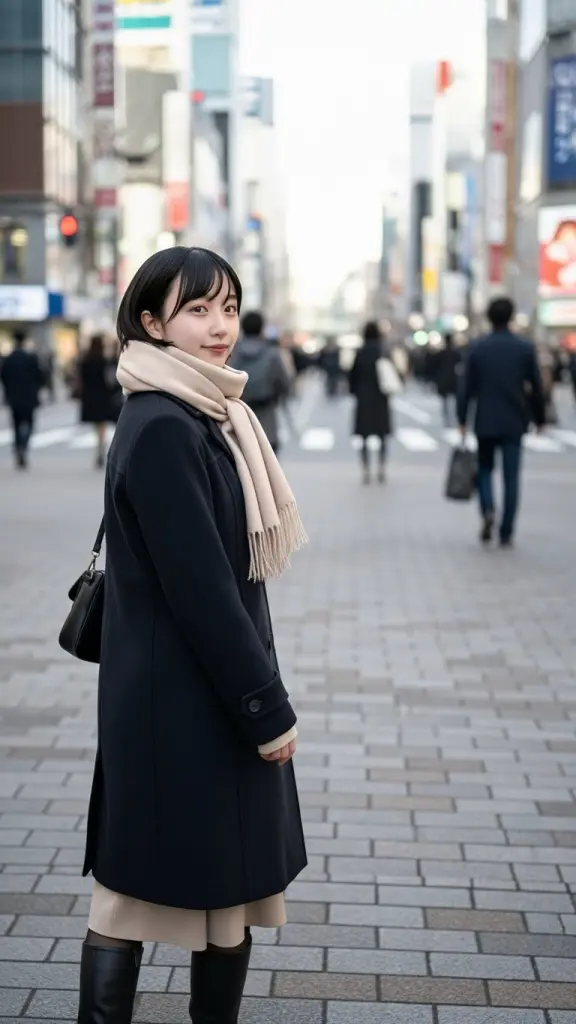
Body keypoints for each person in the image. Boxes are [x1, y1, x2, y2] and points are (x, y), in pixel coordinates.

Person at [76, 246, 308, 1024]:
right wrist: (265, 708)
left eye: (229, 308)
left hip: (186, 691)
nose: (219, 328)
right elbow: (204, 591)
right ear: (151, 321)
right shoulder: (167, 424)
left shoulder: (205, 412)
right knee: (130, 898)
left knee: (225, 897)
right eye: (198, 309)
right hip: (183, 699)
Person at [457, 297, 545, 548]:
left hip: (485, 418)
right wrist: (540, 418)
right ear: (511, 316)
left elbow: (466, 388)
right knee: (511, 476)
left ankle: (487, 510)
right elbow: (536, 387)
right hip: (514, 419)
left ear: (488, 317)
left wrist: (462, 417)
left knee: (484, 470)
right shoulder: (524, 348)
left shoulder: (477, 347)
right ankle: (506, 530)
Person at [229, 310, 291, 454]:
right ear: (262, 328)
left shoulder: (232, 351)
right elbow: (284, 383)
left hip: (236, 415)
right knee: (268, 464)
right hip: (266, 415)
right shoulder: (272, 353)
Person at [349, 321, 393, 485]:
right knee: (382, 435)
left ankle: (366, 468)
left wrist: (354, 391)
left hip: (364, 398)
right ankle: (381, 467)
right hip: (381, 398)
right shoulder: (383, 351)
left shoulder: (360, 353)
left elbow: (353, 376)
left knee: (364, 436)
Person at [76, 334, 123, 468]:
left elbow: (81, 380)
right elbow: (110, 380)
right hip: (103, 396)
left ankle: (99, 449)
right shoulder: (104, 361)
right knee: (102, 425)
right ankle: (101, 450)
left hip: (90, 397)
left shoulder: (85, 361)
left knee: (98, 426)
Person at [0, 328, 44, 469]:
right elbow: (40, 377)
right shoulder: (31, 358)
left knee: (16, 424)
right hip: (29, 397)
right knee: (29, 423)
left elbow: (3, 377)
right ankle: (24, 446)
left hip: (13, 397)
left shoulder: (8, 359)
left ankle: (18, 446)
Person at [434, 333, 462, 426]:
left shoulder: (441, 353)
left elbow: (434, 367)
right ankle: (454, 418)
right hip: (453, 378)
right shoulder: (456, 353)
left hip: (443, 378)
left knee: (445, 400)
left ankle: (447, 418)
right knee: (453, 400)